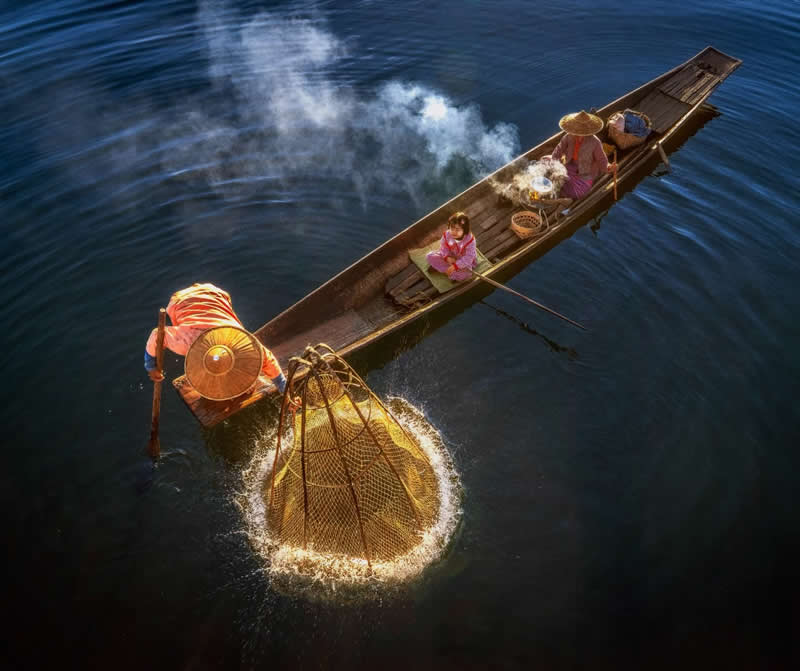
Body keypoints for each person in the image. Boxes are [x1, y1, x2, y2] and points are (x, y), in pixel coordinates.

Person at [144, 282, 288, 393]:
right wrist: (151, 367)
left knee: (228, 316)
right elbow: (157, 334)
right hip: (181, 300)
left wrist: (283, 387)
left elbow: (267, 358)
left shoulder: (241, 339)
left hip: (214, 294)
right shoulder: (186, 342)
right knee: (186, 322)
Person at [550, 110, 616, 199]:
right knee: (545, 161)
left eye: (582, 133)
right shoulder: (568, 137)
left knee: (576, 192)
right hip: (569, 166)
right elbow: (557, 152)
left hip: (584, 174)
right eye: (577, 131)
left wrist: (609, 167)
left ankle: (562, 191)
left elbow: (602, 160)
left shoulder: (595, 142)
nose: (578, 135)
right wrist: (555, 167)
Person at [426, 211, 477, 282]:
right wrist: (447, 257)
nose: (454, 232)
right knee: (430, 256)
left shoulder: (470, 240)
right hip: (451, 256)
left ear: (465, 230)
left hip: (463, 261)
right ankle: (450, 271)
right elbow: (443, 247)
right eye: (452, 228)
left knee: (466, 274)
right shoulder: (447, 235)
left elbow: (469, 258)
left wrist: (455, 266)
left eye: (457, 229)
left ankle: (446, 270)